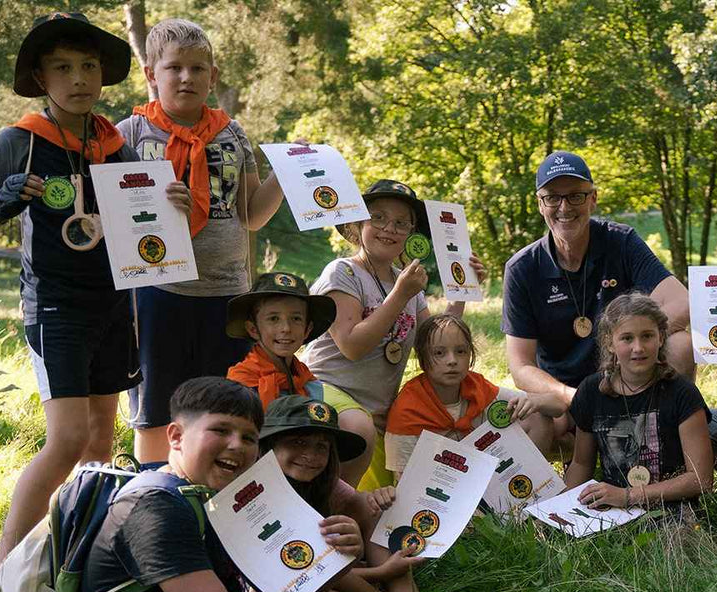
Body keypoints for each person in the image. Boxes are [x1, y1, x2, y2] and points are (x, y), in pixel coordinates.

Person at [72, 377, 563, 592]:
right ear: (175, 436)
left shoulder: (208, 496)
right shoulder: (156, 504)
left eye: (247, 436)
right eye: (220, 431)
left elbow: (275, 585)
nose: (236, 446)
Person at [0, 12, 191, 592]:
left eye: (88, 66)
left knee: (98, 444)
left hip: (115, 304)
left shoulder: (114, 142)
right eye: (63, 67)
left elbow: (140, 223)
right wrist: (1, 208)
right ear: (40, 75)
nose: (78, 78)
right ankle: (1, 571)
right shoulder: (20, 140)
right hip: (55, 308)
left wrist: (172, 205)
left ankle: (71, 555)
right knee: (64, 441)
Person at [117, 18, 289, 463]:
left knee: (227, 405)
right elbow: (111, 213)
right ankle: (156, 493)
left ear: (213, 76)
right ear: (152, 74)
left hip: (228, 294)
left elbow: (252, 215)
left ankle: (219, 500)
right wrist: (154, 202)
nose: (187, 77)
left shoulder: (232, 134)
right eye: (174, 68)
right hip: (157, 292)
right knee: (156, 409)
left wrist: (289, 175)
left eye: (198, 68)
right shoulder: (130, 134)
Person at [502, 151, 695, 450]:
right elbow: (520, 365)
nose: (564, 207)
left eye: (576, 196)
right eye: (553, 197)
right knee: (525, 416)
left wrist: (624, 358)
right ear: (540, 204)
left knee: (682, 344)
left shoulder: (621, 240)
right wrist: (574, 396)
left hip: (628, 375)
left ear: (593, 198)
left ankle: (666, 448)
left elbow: (681, 301)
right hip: (564, 393)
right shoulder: (522, 268)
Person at [260, 395, 492, 592]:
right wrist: (381, 572)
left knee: (375, 507)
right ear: (269, 444)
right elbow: (311, 571)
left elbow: (362, 507)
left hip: (328, 575)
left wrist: (379, 499)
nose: (311, 454)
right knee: (328, 574)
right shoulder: (260, 499)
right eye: (298, 442)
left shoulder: (324, 483)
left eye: (322, 446)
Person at [303, 180, 476, 487]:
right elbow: (352, 346)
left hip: (377, 413)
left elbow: (433, 342)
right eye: (378, 217)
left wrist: (461, 290)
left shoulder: (406, 282)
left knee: (386, 501)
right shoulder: (342, 272)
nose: (389, 228)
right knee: (358, 452)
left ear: (411, 233)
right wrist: (400, 295)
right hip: (326, 394)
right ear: (358, 223)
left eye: (401, 223)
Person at [564, 293, 714, 515]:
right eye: (627, 338)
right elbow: (581, 465)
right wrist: (559, 507)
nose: (638, 347)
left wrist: (628, 496)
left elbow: (701, 479)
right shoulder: (591, 391)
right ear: (610, 342)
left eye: (647, 336)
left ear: (661, 338)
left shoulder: (682, 393)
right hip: (611, 510)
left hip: (669, 509)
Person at [383, 314, 561, 475]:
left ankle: (527, 489)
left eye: (460, 351)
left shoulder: (477, 388)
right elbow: (405, 483)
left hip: (486, 481)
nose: (452, 361)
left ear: (470, 355)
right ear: (422, 360)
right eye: (439, 353)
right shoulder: (407, 410)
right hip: (437, 492)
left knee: (539, 417)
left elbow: (557, 405)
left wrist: (535, 401)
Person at [225, 271, 335, 407]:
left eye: (296, 319)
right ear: (253, 329)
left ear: (307, 329)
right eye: (274, 319)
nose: (286, 328)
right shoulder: (240, 386)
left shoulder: (310, 385)